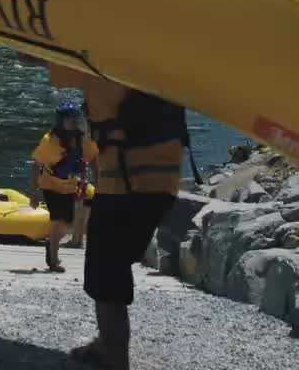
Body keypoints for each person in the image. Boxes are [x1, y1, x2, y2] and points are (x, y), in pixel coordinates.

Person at [20, 54, 189, 370]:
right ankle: (107, 343)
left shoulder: (99, 64)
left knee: (105, 273)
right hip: (163, 187)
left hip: (125, 188)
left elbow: (27, 53)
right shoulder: (167, 66)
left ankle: (113, 355)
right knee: (116, 265)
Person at [30, 100, 99, 272]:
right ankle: (53, 261)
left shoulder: (83, 138)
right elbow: (36, 165)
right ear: (61, 121)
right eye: (70, 119)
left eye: (76, 118)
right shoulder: (49, 142)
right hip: (51, 185)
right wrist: (34, 191)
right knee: (58, 220)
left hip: (70, 185)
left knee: (66, 224)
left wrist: (99, 180)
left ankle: (55, 243)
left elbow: (93, 159)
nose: (75, 122)